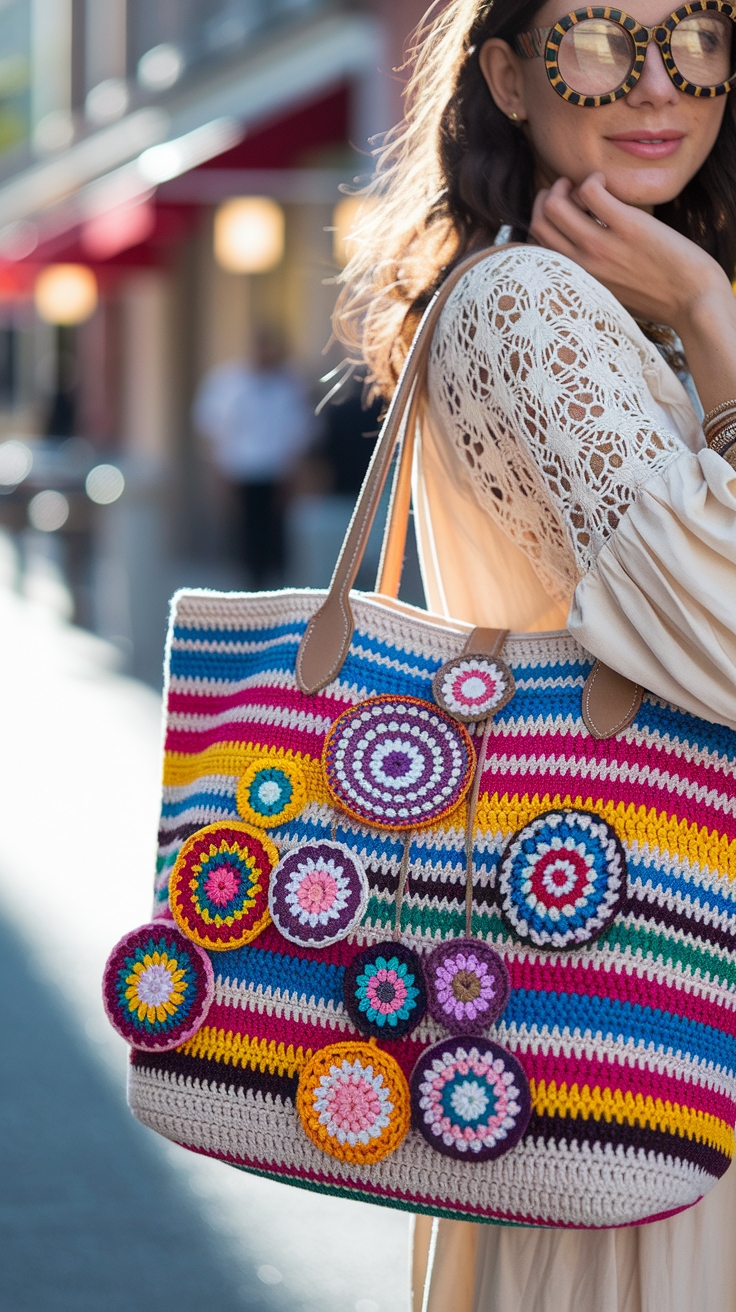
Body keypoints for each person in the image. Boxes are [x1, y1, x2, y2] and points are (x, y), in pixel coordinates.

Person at [333, 0, 736, 1309]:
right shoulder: (526, 308)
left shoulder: (635, 310)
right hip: (630, 1027)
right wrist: (715, 315)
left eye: (700, 37)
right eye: (604, 41)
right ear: (508, 72)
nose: (657, 83)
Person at [193, 329, 315, 588]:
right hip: (241, 470)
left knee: (274, 533)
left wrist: (295, 471)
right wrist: (217, 470)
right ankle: (249, 583)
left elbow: (300, 431)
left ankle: (273, 584)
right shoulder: (229, 382)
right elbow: (214, 427)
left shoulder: (289, 384)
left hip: (276, 471)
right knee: (245, 533)